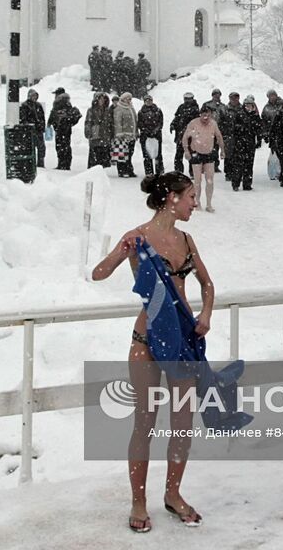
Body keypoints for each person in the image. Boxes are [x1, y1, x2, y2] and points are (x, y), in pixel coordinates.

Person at [91, 171, 213, 532]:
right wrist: (120, 249)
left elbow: (207, 284)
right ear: (172, 198)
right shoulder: (138, 237)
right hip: (146, 340)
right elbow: (98, 274)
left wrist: (205, 315)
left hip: (182, 341)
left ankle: (173, 494)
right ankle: (138, 501)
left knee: (182, 424)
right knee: (144, 423)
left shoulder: (188, 240)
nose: (194, 202)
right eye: (190, 196)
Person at [183, 105, 225, 211]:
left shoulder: (213, 124)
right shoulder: (193, 123)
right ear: (200, 115)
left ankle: (209, 204)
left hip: (209, 153)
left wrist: (222, 150)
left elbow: (219, 137)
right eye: (203, 114)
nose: (205, 117)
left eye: (208, 115)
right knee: (197, 180)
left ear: (210, 115)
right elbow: (184, 138)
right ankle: (197, 202)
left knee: (210, 180)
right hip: (196, 153)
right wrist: (186, 151)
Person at [230, 95, 262, 191]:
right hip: (240, 143)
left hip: (250, 143)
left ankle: (247, 184)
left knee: (249, 164)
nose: (248, 107)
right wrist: (241, 128)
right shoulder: (239, 114)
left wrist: (259, 139)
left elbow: (259, 128)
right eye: (247, 105)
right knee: (238, 164)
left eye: (250, 105)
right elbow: (233, 128)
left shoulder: (255, 116)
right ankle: (235, 183)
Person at [47, 90, 81, 170]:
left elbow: (53, 114)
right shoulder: (65, 103)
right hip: (64, 128)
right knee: (64, 146)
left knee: (62, 146)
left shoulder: (60, 103)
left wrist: (51, 122)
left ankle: (63, 163)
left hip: (62, 128)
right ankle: (65, 164)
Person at [171, 93, 201, 173]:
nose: (187, 100)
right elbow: (177, 117)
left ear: (192, 99)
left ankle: (192, 172)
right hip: (180, 135)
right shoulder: (181, 107)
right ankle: (178, 171)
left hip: (191, 136)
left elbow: (197, 121)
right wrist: (173, 124)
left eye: (189, 99)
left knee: (192, 154)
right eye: (186, 99)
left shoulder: (195, 108)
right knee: (178, 155)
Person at [219, 92, 244, 182]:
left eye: (236, 98)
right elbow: (220, 122)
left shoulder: (242, 108)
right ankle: (228, 173)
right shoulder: (225, 109)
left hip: (240, 136)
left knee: (239, 155)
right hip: (228, 135)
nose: (234, 100)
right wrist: (223, 133)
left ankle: (238, 173)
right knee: (228, 155)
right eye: (232, 98)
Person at [138, 94, 165, 177]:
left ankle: (159, 171)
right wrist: (146, 131)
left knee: (158, 154)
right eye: (146, 100)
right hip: (145, 136)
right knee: (147, 155)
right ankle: (149, 172)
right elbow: (140, 123)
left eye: (150, 100)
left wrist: (155, 130)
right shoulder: (141, 112)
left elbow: (161, 122)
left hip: (156, 136)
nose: (148, 102)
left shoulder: (158, 110)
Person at [84, 92, 113, 168]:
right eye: (100, 99)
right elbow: (88, 122)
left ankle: (103, 169)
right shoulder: (91, 110)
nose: (102, 100)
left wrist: (111, 133)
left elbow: (111, 123)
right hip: (95, 135)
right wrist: (88, 132)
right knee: (94, 154)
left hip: (105, 136)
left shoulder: (107, 110)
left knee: (104, 154)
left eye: (103, 99)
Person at [19, 88, 46, 168]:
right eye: (33, 95)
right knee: (30, 148)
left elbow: (42, 117)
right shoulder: (25, 105)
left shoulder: (38, 105)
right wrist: (28, 126)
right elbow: (23, 119)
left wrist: (42, 126)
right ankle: (31, 164)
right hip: (30, 131)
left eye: (35, 95)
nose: (34, 97)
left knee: (41, 148)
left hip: (38, 130)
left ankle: (41, 164)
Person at [113, 92, 138, 177]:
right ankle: (122, 170)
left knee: (130, 153)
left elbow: (135, 121)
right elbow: (117, 122)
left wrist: (136, 132)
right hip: (123, 135)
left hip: (132, 135)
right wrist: (119, 133)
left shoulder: (131, 108)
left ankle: (129, 169)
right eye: (128, 98)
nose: (129, 100)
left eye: (130, 99)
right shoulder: (119, 108)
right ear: (123, 99)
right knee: (122, 153)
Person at [202, 88, 228, 171]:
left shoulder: (223, 106)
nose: (216, 96)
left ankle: (215, 165)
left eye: (218, 94)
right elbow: (202, 116)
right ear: (212, 95)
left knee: (216, 148)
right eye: (215, 94)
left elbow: (226, 118)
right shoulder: (207, 105)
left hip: (218, 130)